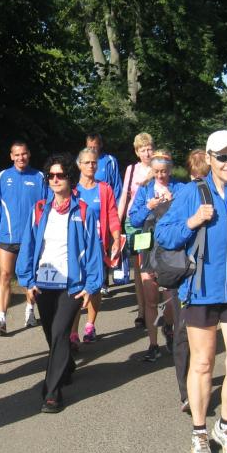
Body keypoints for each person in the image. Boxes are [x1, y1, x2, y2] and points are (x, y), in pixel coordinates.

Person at [156, 130, 227, 453]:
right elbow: (164, 235)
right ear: (209, 159)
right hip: (201, 290)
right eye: (222, 157)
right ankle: (199, 432)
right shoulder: (193, 193)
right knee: (203, 363)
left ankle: (225, 426)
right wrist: (192, 221)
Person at [16, 152, 103, 413]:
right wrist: (27, 279)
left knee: (59, 332)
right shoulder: (40, 209)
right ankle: (66, 365)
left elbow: (93, 250)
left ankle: (52, 393)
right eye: (51, 175)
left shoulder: (83, 211)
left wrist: (91, 286)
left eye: (60, 175)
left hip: (71, 285)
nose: (55, 179)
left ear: (70, 178)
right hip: (43, 283)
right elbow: (28, 245)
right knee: (50, 334)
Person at [0, 141, 48, 335]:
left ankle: (30, 311)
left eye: (24, 154)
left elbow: (46, 207)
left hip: (32, 237)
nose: (21, 158)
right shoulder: (2, 177)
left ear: (29, 154)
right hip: (7, 236)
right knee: (5, 275)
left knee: (32, 277)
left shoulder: (39, 177)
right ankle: (1, 319)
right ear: (11, 156)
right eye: (17, 154)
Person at [128, 149, 183, 362]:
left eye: (164, 171)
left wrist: (173, 203)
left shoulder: (179, 188)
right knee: (150, 299)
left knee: (169, 300)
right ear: (152, 170)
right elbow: (134, 220)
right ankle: (153, 344)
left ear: (170, 170)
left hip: (171, 249)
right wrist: (148, 207)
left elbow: (188, 215)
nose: (160, 175)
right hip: (148, 246)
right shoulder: (145, 190)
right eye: (157, 171)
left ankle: (168, 326)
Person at [170, 149, 210, 413]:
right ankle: (190, 391)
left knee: (186, 333)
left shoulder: (185, 191)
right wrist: (192, 222)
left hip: (191, 276)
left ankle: (187, 390)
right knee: (191, 334)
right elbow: (167, 234)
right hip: (191, 276)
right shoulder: (187, 193)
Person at [71, 147, 121, 349]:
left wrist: (116, 239)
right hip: (76, 247)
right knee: (75, 287)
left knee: (95, 286)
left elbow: (112, 216)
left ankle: (90, 326)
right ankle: (73, 332)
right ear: (79, 165)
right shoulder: (72, 190)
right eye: (87, 162)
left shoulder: (104, 188)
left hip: (98, 246)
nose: (91, 166)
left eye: (94, 162)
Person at [117, 132, 155, 328]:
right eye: (143, 150)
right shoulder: (131, 170)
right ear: (137, 152)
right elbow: (124, 196)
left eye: (149, 149)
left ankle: (156, 308)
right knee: (140, 267)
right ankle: (142, 310)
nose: (147, 153)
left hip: (154, 222)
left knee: (154, 266)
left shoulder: (159, 168)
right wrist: (117, 224)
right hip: (134, 223)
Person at [85, 133, 122, 295]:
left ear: (100, 145)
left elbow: (117, 187)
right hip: (87, 210)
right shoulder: (82, 159)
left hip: (105, 209)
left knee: (105, 246)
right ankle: (87, 281)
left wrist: (116, 211)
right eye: (89, 146)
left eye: (95, 146)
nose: (93, 149)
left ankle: (104, 282)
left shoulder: (109, 161)